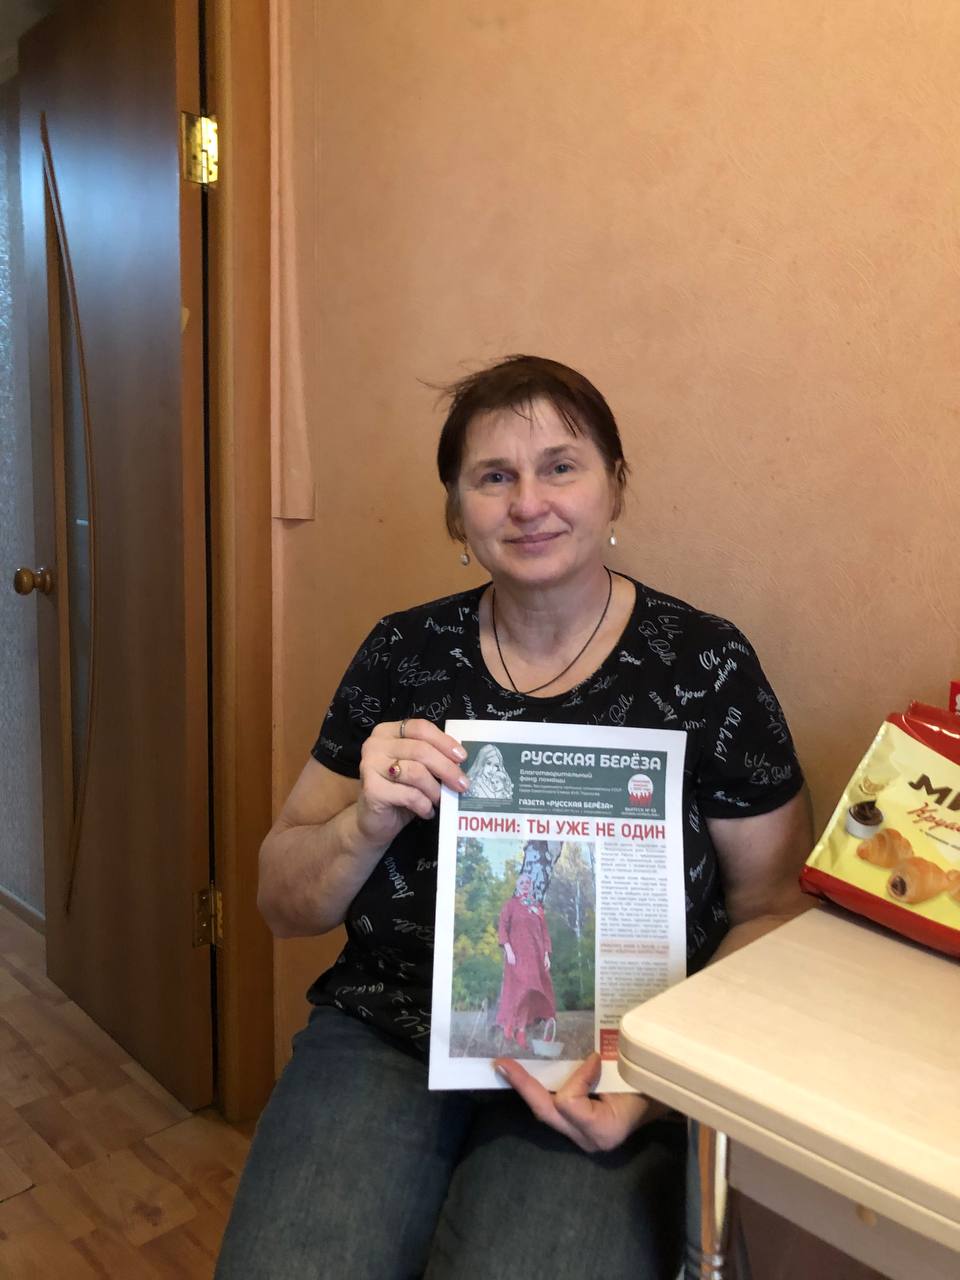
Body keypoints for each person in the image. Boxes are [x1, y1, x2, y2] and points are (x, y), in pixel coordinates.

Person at [215, 354, 813, 1279]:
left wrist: (651, 1079)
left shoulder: (705, 666)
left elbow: (773, 910)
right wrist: (361, 824)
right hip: (390, 1032)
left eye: (560, 467)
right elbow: (280, 903)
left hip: (606, 1053)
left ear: (615, 488)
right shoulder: (403, 653)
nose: (529, 502)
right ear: (458, 514)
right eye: (494, 477)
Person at [495, 872, 555, 1051]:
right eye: (522, 882)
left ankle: (521, 1032)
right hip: (517, 956)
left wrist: (546, 955)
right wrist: (508, 949)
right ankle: (511, 1026)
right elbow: (502, 927)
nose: (525, 884)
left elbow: (544, 932)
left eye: (528, 882)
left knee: (532, 992)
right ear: (517, 885)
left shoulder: (537, 907)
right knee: (519, 991)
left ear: (531, 885)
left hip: (536, 957)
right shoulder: (510, 905)